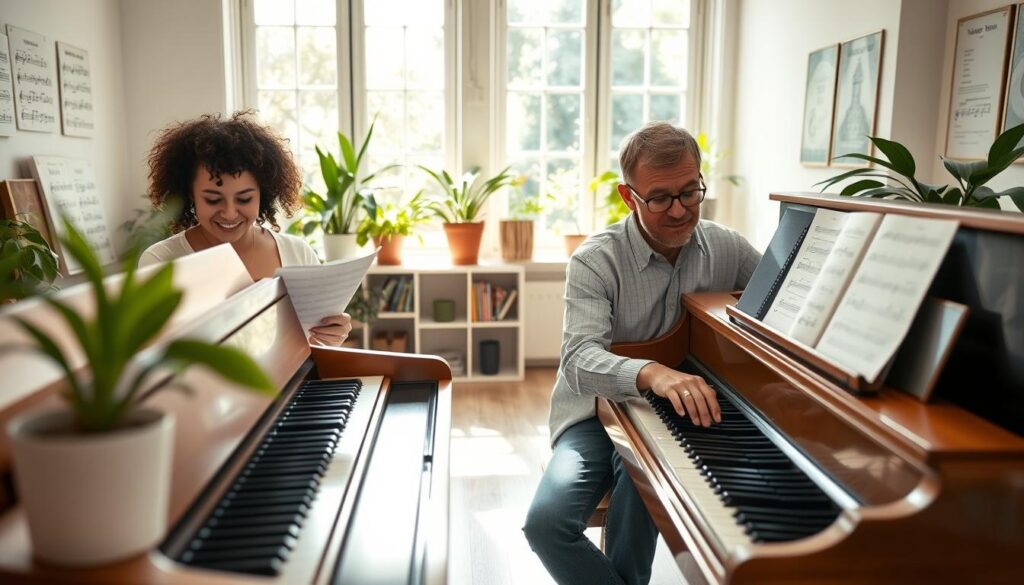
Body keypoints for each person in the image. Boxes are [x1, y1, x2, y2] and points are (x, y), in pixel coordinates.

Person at [522, 122, 761, 585]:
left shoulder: (727, 247)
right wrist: (652, 373)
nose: (679, 211)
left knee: (645, 483)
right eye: (660, 198)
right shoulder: (595, 260)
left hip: (674, 419)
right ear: (628, 196)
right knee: (545, 525)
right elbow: (577, 360)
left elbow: (781, 300)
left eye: (690, 193)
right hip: (591, 417)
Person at [139, 111, 352, 347]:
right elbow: (153, 358)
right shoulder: (161, 262)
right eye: (213, 199)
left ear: (264, 193)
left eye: (244, 199)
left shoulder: (297, 252)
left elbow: (317, 350)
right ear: (190, 195)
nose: (230, 213)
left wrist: (333, 335)